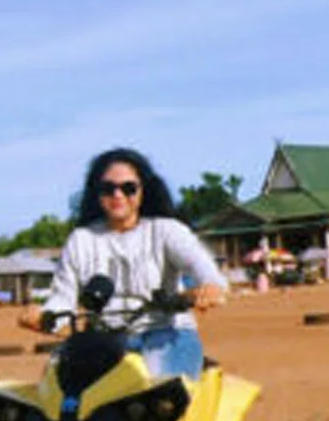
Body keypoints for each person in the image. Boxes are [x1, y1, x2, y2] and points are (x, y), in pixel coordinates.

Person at [18, 148, 229, 379]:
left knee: (156, 392)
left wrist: (209, 288)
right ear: (96, 193)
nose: (118, 195)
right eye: (108, 189)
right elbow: (62, 298)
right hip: (103, 340)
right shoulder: (81, 239)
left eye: (128, 188)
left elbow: (205, 269)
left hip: (165, 332)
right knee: (59, 383)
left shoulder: (166, 231)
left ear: (143, 191)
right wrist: (43, 315)